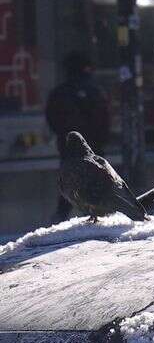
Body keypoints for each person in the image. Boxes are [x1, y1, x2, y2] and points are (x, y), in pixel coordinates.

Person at [45, 51, 112, 220]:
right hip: (95, 148)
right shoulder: (96, 92)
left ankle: (61, 220)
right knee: (97, 185)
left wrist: (64, 136)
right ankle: (98, 218)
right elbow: (105, 120)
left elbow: (53, 119)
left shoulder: (60, 93)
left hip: (69, 150)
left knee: (69, 188)